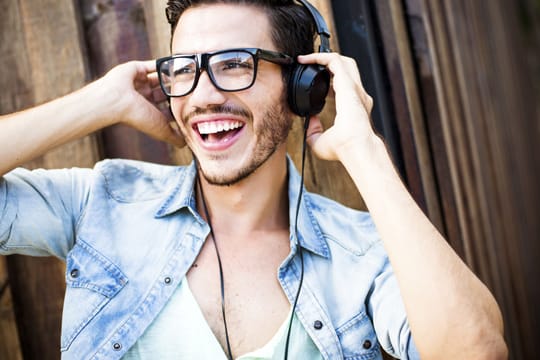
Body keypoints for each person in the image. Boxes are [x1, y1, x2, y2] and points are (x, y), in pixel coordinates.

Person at [0, 0, 507, 359]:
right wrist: (101, 101)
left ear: (300, 86)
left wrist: (363, 150)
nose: (202, 96)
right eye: (185, 69)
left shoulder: (364, 256)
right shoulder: (102, 203)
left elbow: (474, 352)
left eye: (234, 64)